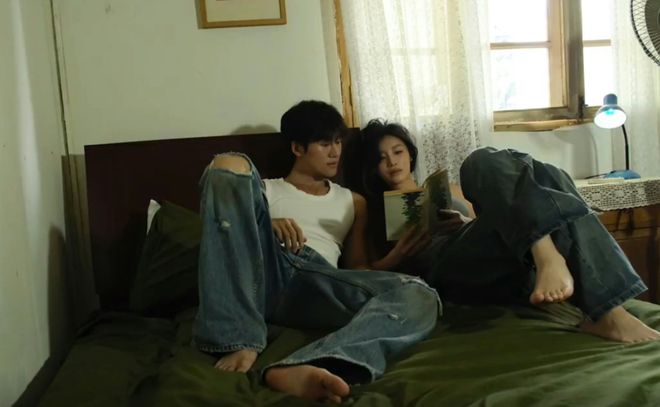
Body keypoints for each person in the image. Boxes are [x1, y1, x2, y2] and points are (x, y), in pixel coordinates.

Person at [193, 102, 441, 403]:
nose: (335, 152)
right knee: (228, 163)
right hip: (266, 269)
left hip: (317, 280)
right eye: (324, 144)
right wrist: (266, 224)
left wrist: (396, 257)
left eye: (338, 142)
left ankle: (317, 362)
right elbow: (226, 229)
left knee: (420, 293)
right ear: (297, 148)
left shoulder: (353, 201)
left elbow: (356, 271)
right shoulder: (265, 190)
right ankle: (239, 338)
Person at [354, 118, 660, 343]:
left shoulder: (450, 189)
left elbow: (499, 219)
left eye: (397, 151)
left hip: (494, 254)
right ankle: (566, 271)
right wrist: (397, 256)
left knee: (493, 164)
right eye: (381, 158)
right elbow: (356, 271)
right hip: (444, 266)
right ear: (372, 167)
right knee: (547, 180)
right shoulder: (368, 208)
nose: (392, 162)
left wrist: (465, 223)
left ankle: (549, 258)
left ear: (410, 154)